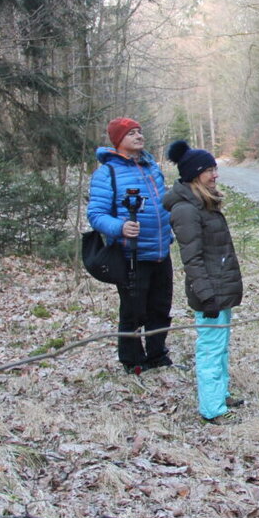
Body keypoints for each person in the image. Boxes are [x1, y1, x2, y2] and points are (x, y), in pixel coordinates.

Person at [163, 141, 244, 424]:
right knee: (210, 347)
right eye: (210, 170)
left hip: (220, 288)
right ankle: (212, 408)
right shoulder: (186, 210)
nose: (215, 175)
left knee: (220, 345)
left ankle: (220, 394)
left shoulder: (202, 203)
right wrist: (207, 295)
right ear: (195, 174)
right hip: (210, 292)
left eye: (215, 168)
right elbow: (192, 260)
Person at [86, 117, 174, 375]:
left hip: (160, 250)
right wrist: (120, 227)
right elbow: (96, 214)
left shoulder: (151, 168)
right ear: (118, 140)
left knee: (160, 306)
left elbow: (164, 203)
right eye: (131, 133)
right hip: (130, 254)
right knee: (133, 310)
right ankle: (133, 360)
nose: (138, 136)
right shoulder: (107, 173)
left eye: (139, 131)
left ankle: (158, 354)